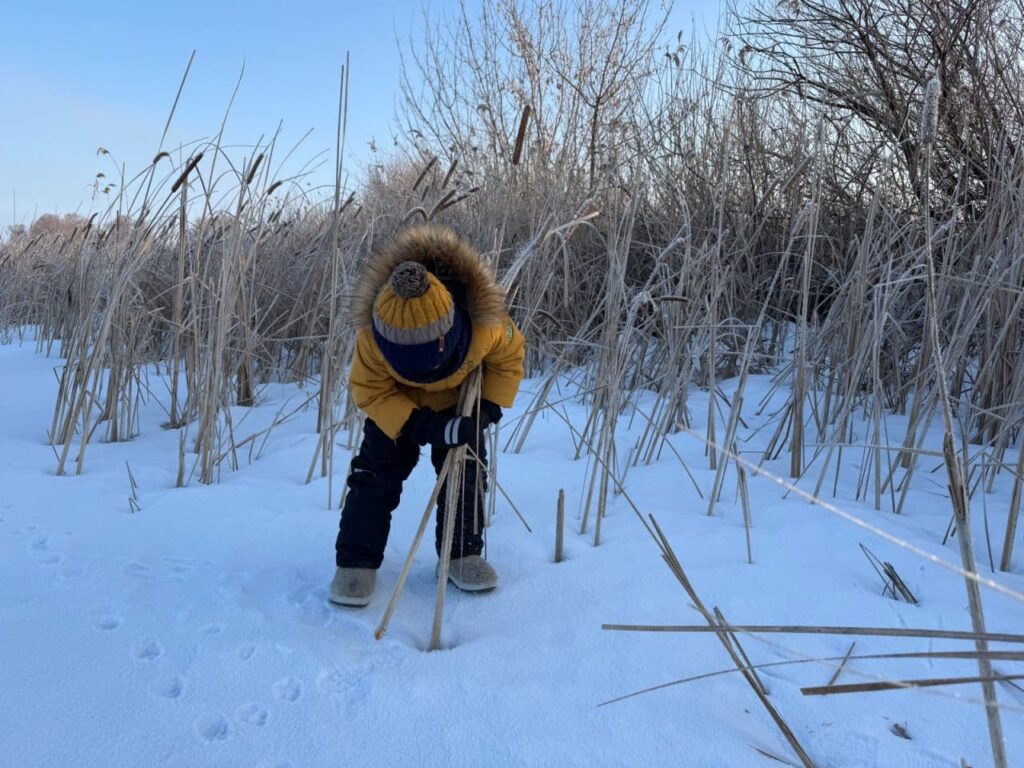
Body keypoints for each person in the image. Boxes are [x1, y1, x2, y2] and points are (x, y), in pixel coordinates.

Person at [330, 224, 526, 607]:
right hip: (397, 407)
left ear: (447, 335)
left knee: (466, 472)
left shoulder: (488, 325)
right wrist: (418, 425)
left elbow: (510, 356)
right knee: (373, 478)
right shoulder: (371, 338)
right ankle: (356, 561)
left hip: (459, 403)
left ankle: (461, 554)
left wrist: (487, 408)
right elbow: (370, 389)